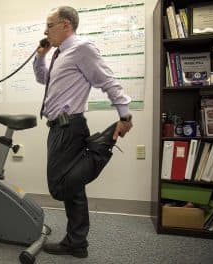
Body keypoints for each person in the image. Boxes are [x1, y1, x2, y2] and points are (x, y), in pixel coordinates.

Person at [33, 6, 133, 258]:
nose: (46, 31)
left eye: (50, 25)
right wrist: (40, 57)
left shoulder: (82, 48)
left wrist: (125, 115)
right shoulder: (59, 54)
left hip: (70, 127)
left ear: (66, 25)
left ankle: (99, 153)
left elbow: (108, 81)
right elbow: (43, 79)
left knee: (60, 186)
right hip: (58, 128)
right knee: (73, 188)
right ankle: (77, 243)